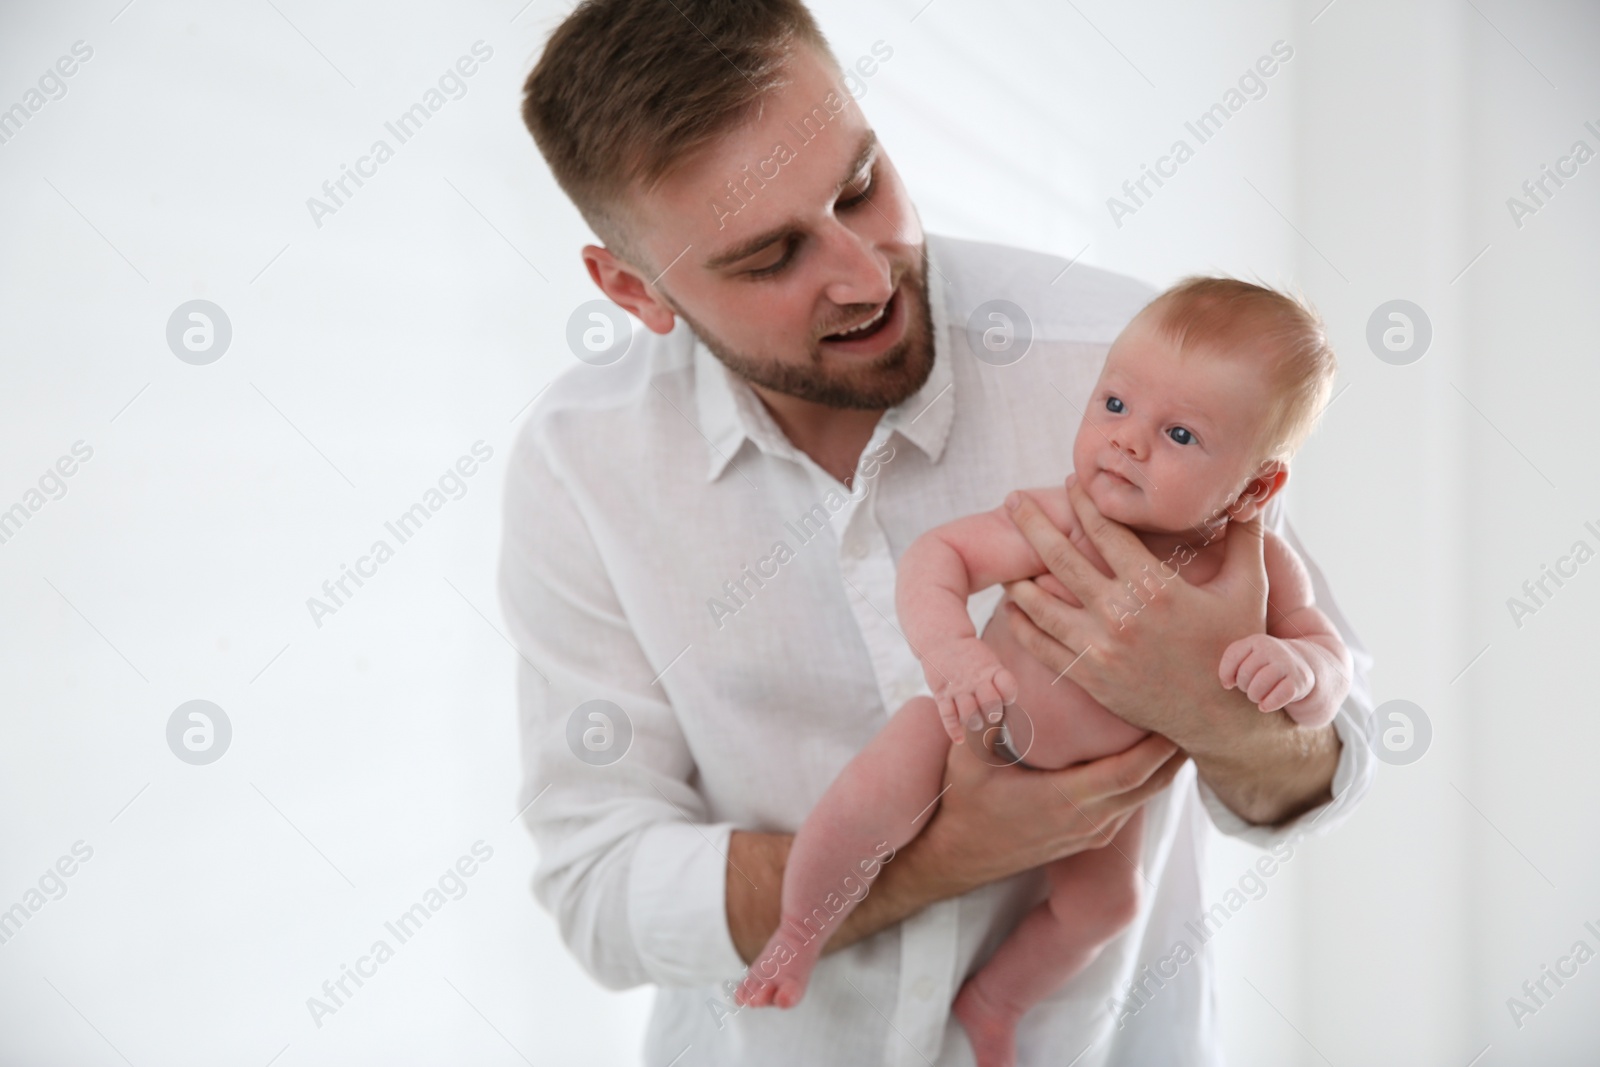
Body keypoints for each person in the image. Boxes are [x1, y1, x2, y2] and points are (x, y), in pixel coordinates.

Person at [500, 2, 1375, 1063]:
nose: (868, 276)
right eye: (771, 256)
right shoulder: (580, 462)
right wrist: (944, 852)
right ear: (635, 290)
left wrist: (1215, 702)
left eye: (860, 186)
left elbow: (1323, 764)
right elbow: (602, 886)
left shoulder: (1134, 364)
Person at [734, 278, 1355, 1067]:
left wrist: (1298, 670)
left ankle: (997, 999)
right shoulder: (1067, 518)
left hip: (1105, 789)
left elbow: (1325, 661)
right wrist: (953, 651)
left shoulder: (1260, 567)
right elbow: (941, 556)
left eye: (1181, 436)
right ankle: (797, 933)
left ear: (1257, 488)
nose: (1127, 442)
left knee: (1108, 905)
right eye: (1116, 405)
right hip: (970, 728)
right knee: (866, 807)